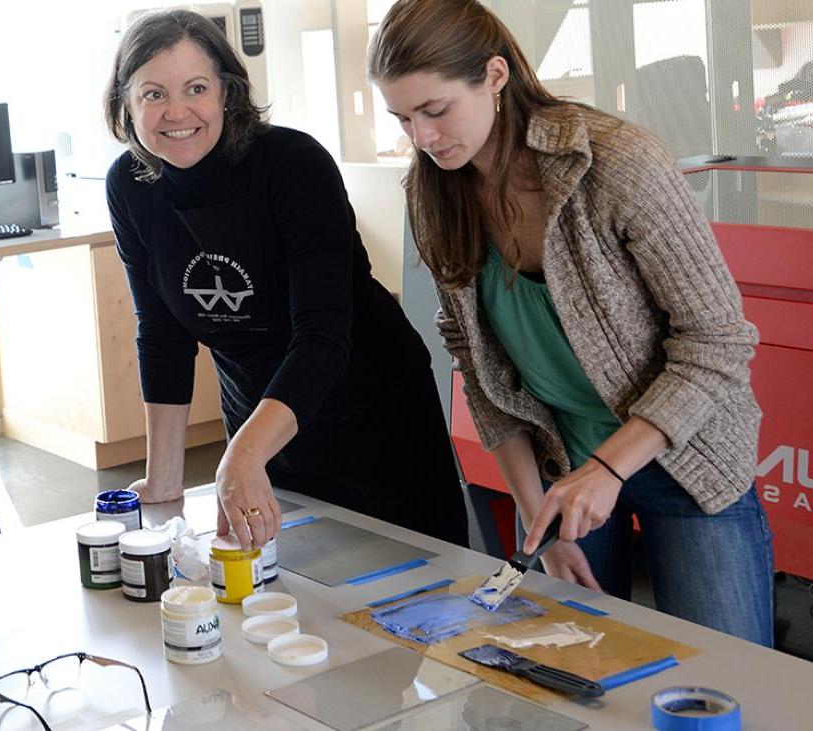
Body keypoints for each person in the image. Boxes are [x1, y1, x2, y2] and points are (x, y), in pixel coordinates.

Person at [369, 0, 773, 645]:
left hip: (685, 456)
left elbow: (717, 341)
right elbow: (478, 369)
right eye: (402, 118)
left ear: (495, 76)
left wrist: (609, 469)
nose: (421, 137)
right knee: (584, 675)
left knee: (724, 679)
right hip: (564, 470)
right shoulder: (433, 192)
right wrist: (539, 525)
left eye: (436, 111)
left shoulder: (615, 162)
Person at [103, 10, 468, 551]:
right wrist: (164, 477)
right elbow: (162, 335)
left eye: (196, 88)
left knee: (413, 602)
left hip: (370, 414)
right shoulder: (130, 185)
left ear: (227, 93)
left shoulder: (292, 164)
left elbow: (322, 336)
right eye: (153, 94)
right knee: (285, 594)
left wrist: (245, 453)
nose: (176, 112)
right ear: (125, 105)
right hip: (259, 422)